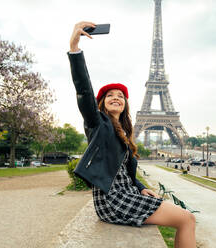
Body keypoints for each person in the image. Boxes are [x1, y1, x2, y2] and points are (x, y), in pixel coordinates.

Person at [68, 21, 196, 247]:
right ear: (101, 104)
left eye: (120, 95)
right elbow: (84, 90)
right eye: (109, 96)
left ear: (125, 103)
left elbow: (124, 173)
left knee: (186, 218)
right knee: (187, 219)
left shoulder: (124, 133)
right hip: (113, 200)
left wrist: (141, 187)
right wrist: (75, 48)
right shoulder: (98, 124)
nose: (115, 97)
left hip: (127, 195)